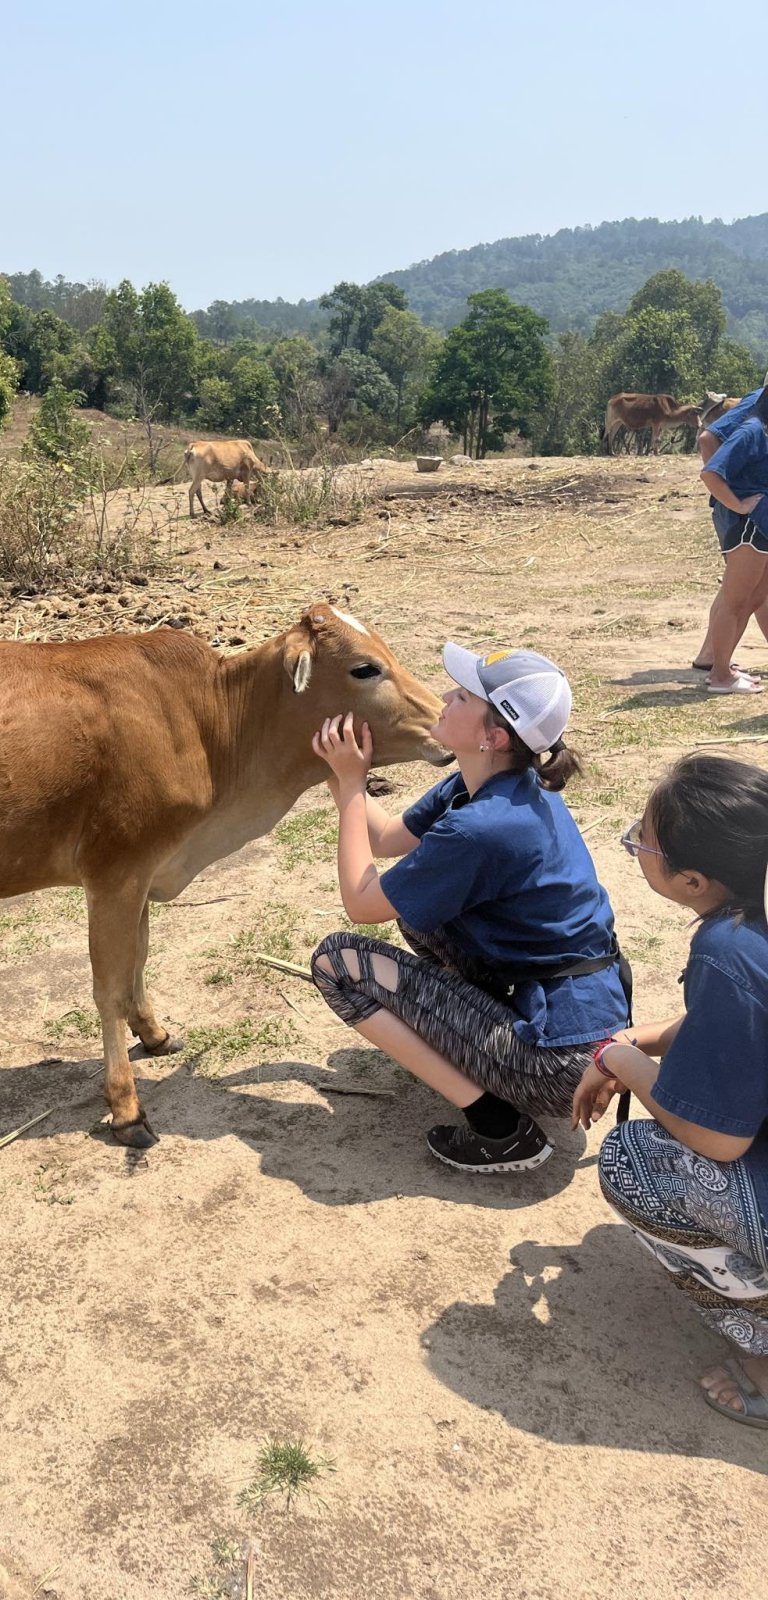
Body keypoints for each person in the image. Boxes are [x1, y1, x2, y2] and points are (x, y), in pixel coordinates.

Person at [309, 643, 630, 1174]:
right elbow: (389, 838)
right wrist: (336, 766)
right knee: (418, 906)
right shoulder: (493, 783)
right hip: (576, 1016)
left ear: (493, 736)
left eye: (460, 697)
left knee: (336, 964)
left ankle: (500, 1129)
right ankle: (472, 1037)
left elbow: (361, 905)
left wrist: (349, 789)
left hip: (559, 1063)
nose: (443, 699)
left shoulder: (481, 827)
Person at [573, 754, 768, 1429]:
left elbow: (718, 1137)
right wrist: (648, 1037)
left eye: (642, 842)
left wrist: (623, 1061)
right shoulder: (756, 922)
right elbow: (741, 1020)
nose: (634, 848)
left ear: (690, 880)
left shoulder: (724, 950)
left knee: (634, 1162)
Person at [692, 381, 768, 693]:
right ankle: (720, 675)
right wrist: (736, 503)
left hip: (761, 527)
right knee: (735, 600)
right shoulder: (752, 430)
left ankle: (723, 666)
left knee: (755, 598)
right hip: (748, 528)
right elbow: (711, 472)